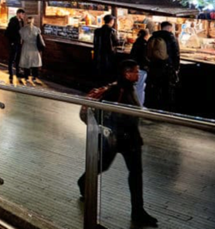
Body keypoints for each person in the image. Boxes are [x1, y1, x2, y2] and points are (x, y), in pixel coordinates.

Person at [77, 60, 158, 228]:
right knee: (102, 165)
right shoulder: (117, 90)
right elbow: (109, 114)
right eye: (135, 71)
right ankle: (84, 182)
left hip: (129, 139)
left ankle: (138, 210)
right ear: (126, 73)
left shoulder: (128, 88)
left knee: (136, 173)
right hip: (115, 138)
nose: (138, 74)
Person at [144, 21, 181, 112]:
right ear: (169, 28)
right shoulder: (171, 38)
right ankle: (166, 109)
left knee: (154, 87)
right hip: (167, 67)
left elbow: (147, 52)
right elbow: (176, 53)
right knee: (167, 89)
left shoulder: (153, 36)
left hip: (153, 66)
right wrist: (176, 68)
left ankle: (153, 106)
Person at [19, 16, 43, 81]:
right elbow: (39, 38)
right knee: (35, 62)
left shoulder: (22, 29)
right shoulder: (37, 29)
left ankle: (26, 76)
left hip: (26, 46)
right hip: (34, 47)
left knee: (26, 61)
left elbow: (21, 39)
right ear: (33, 21)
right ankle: (34, 76)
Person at [130, 29, 150, 106]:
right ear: (147, 35)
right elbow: (145, 57)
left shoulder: (136, 42)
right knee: (140, 87)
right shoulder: (145, 44)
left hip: (135, 66)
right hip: (141, 68)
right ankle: (139, 105)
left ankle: (136, 103)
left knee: (137, 86)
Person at [6, 9, 26, 79]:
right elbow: (9, 31)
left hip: (19, 42)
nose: (23, 16)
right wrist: (12, 41)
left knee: (18, 58)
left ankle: (18, 72)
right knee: (12, 58)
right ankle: (11, 74)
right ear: (19, 14)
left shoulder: (22, 21)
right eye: (22, 14)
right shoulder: (13, 20)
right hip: (14, 42)